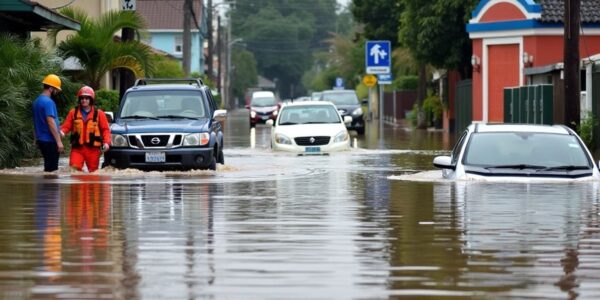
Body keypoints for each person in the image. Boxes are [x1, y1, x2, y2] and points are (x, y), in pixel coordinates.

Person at [60, 86, 111, 172]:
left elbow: (105, 130)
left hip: (93, 150)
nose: (84, 100)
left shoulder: (99, 114)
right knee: (74, 171)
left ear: (91, 100)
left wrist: (106, 143)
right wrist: (61, 132)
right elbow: (66, 126)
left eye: (87, 98)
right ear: (79, 99)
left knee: (93, 173)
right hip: (77, 149)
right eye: (82, 98)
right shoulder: (73, 112)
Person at [33, 74, 64, 172]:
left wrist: (35, 138)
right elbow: (50, 122)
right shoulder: (48, 102)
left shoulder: (36, 101)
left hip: (42, 139)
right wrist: (59, 142)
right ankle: (49, 187)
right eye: (56, 89)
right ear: (51, 88)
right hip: (50, 141)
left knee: (48, 169)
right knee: (52, 171)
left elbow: (36, 121)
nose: (57, 92)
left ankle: (45, 187)